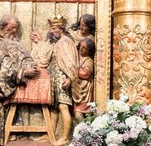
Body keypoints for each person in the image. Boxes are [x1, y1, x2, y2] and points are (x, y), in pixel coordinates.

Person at [31, 15, 78, 146]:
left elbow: (71, 62)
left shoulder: (66, 42)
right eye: (51, 29)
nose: (52, 31)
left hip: (63, 79)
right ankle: (50, 135)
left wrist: (70, 78)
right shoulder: (56, 42)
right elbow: (46, 56)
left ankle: (64, 138)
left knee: (63, 107)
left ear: (60, 28)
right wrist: (39, 42)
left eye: (54, 28)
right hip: (54, 79)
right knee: (54, 108)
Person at [0, 15, 38, 144]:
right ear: (3, 27)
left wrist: (30, 65)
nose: (14, 32)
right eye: (11, 29)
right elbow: (4, 70)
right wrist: (23, 73)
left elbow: (25, 57)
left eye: (16, 29)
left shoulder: (16, 43)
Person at [72, 37, 95, 122]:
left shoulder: (88, 61)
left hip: (84, 90)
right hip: (78, 90)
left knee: (79, 114)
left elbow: (85, 74)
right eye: (81, 46)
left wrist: (73, 70)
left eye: (85, 48)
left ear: (89, 50)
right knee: (77, 113)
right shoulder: (77, 57)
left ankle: (84, 132)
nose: (82, 49)